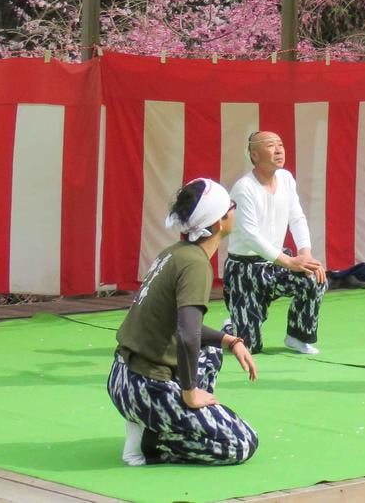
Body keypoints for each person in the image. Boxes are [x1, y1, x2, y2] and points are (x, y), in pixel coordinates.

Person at [108, 178, 259, 466]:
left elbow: (180, 327)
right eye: (232, 207)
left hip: (122, 379)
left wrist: (230, 341)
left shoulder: (175, 253)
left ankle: (148, 424)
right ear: (218, 223)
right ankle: (152, 442)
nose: (234, 211)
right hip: (144, 389)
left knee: (214, 348)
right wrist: (189, 393)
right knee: (241, 443)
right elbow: (188, 335)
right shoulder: (195, 264)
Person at [225, 132, 327, 355]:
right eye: (271, 146)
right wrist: (290, 261)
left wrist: (305, 254)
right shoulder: (244, 188)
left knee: (313, 278)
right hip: (245, 269)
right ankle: (231, 325)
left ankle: (298, 336)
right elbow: (251, 236)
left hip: (277, 262)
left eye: (281, 144)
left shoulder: (286, 179)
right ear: (254, 154)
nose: (279, 150)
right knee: (249, 347)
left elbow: (297, 217)